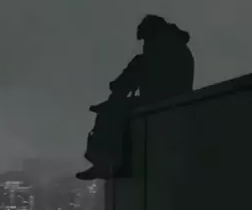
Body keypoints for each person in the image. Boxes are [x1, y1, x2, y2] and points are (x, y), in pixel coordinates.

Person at [76, 15, 195, 180]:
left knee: (112, 111)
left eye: (145, 39)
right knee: (115, 108)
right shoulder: (176, 46)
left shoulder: (161, 49)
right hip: (173, 100)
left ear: (151, 33)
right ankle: (105, 161)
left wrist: (119, 90)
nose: (144, 44)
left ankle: (103, 162)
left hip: (164, 102)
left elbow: (140, 77)